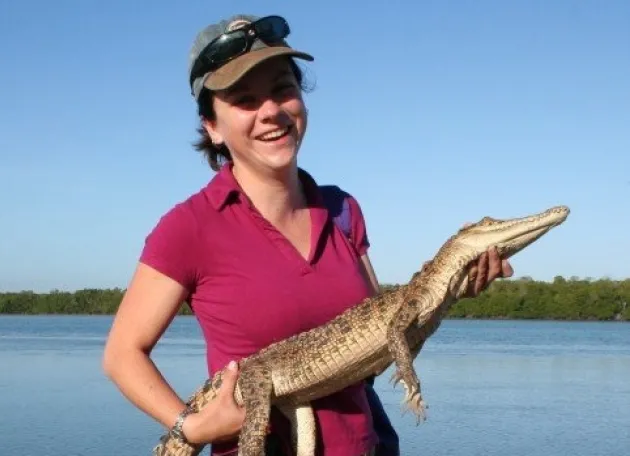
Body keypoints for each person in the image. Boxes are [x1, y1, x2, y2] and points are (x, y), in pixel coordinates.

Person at [101, 13, 513, 456]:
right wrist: (191, 426)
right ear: (212, 127)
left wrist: (449, 294)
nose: (271, 112)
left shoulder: (343, 210)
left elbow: (378, 347)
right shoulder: (189, 226)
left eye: (283, 89)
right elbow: (122, 354)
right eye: (244, 100)